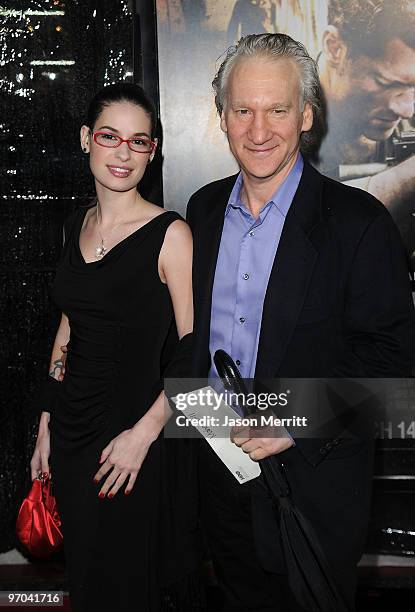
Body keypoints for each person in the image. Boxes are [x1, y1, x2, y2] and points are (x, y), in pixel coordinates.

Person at [186, 33, 414, 611]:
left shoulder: (359, 222)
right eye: (243, 110)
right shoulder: (204, 210)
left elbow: (393, 363)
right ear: (222, 116)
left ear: (307, 115)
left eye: (277, 110)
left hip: (312, 483)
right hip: (220, 477)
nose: (259, 131)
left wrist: (293, 422)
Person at [30, 83, 196, 612]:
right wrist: (46, 422)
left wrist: (144, 435)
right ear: (86, 139)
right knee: (87, 584)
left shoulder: (171, 235)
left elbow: (196, 352)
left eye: (139, 141)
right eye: (110, 136)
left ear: (153, 150)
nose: (123, 153)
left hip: (131, 440)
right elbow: (68, 328)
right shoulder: (75, 223)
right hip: (73, 435)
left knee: (129, 586)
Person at [317, 0, 415, 267]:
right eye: (386, 83)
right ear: (334, 48)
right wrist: (405, 182)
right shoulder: (271, 120)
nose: (406, 110)